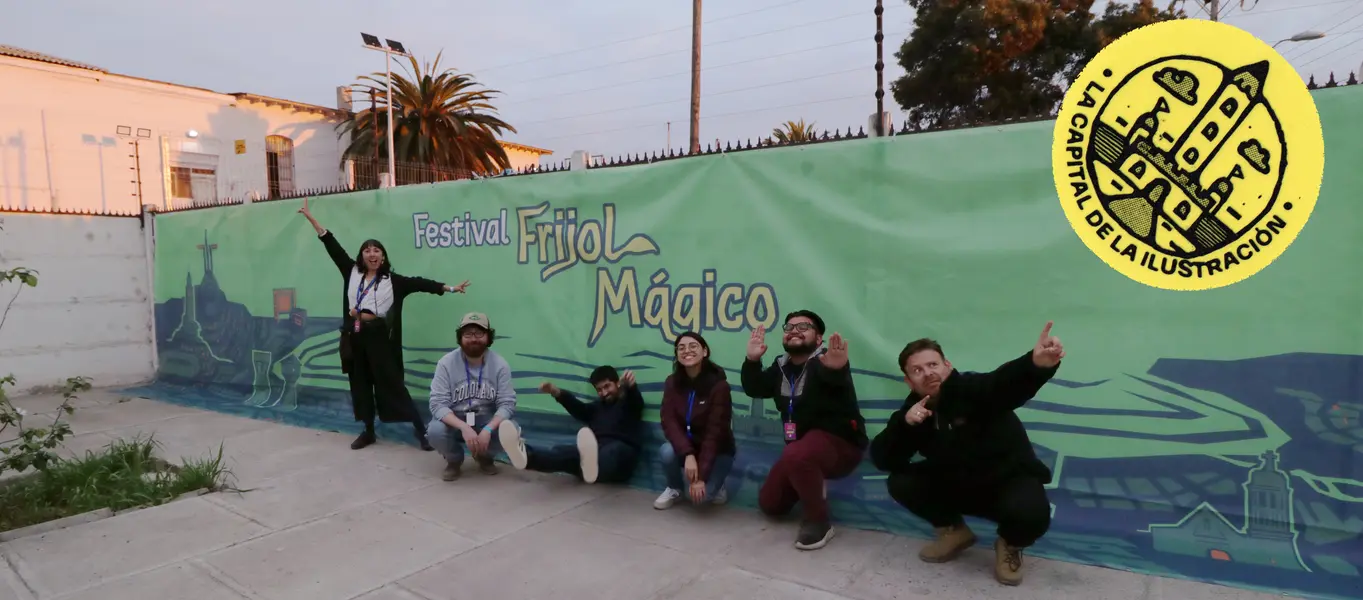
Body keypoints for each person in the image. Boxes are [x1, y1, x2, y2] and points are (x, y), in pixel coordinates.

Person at [869, 322, 1064, 587]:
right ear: (908, 380)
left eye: (933, 365)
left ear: (947, 365)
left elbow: (1004, 384)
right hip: (958, 485)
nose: (927, 374)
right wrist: (906, 425)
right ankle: (955, 531)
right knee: (900, 481)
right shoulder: (912, 413)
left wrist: (1036, 364)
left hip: (1006, 483)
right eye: (917, 370)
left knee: (1032, 514)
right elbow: (883, 459)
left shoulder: (974, 390)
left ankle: (1009, 544)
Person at [299, 198, 469, 451]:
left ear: (383, 256)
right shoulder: (351, 272)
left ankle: (421, 431)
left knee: (394, 385)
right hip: (355, 337)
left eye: (376, 250)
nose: (372, 253)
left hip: (380, 340)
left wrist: (450, 288)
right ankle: (368, 430)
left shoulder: (393, 281)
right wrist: (312, 220)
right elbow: (331, 245)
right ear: (362, 255)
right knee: (360, 384)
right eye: (367, 249)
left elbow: (421, 283)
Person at [741, 310, 867, 551]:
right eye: (789, 328)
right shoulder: (780, 367)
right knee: (771, 505)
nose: (794, 331)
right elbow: (754, 388)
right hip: (799, 450)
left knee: (798, 454)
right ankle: (810, 482)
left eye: (803, 327)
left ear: (819, 339)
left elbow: (834, 382)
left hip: (841, 445)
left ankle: (819, 522)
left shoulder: (826, 362)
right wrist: (752, 360)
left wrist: (837, 369)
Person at [499, 366, 644, 484]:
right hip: (593, 455)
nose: (604, 392)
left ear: (617, 383)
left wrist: (631, 387)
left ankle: (593, 466)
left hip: (619, 460)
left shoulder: (628, 405)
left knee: (614, 450)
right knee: (563, 452)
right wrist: (556, 392)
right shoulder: (596, 408)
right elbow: (577, 408)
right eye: (599, 390)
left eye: (607, 386)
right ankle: (526, 455)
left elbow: (635, 401)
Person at [426, 312, 517, 481]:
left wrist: (489, 429)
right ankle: (454, 459)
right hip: (455, 418)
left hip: (485, 418)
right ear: (459, 337)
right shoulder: (445, 363)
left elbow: (508, 404)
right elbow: (437, 404)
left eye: (479, 333)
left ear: (489, 337)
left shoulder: (500, 364)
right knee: (435, 430)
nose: (473, 339)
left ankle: (484, 456)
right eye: (468, 334)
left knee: (512, 429)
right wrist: (463, 427)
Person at [655, 332, 737, 510]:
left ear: (705, 351)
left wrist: (700, 478)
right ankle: (675, 488)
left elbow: (715, 432)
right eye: (681, 348)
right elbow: (668, 420)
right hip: (689, 447)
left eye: (693, 346)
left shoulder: (719, 386)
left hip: (718, 451)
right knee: (667, 451)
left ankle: (717, 484)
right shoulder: (672, 383)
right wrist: (688, 454)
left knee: (702, 499)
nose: (687, 351)